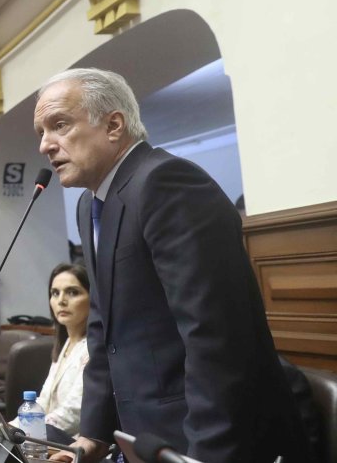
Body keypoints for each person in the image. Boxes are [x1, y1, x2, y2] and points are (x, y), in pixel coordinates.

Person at [35, 68, 304, 463]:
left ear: (113, 125)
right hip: (145, 438)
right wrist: (92, 434)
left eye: (59, 125)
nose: (45, 145)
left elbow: (215, 336)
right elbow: (103, 328)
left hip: (208, 440)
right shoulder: (90, 205)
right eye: (41, 132)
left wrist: (205, 455)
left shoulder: (166, 183)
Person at [13, 263, 90, 439]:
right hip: (47, 437)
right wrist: (11, 426)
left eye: (73, 292)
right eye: (55, 293)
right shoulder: (66, 342)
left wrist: (23, 431)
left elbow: (73, 413)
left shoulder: (93, 348)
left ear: (93, 298)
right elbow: (44, 401)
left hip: (73, 444)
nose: (61, 300)